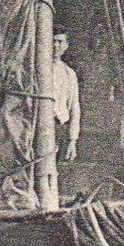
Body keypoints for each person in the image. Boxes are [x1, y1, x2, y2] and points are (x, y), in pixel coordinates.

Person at [52, 28, 82, 162]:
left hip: (58, 128)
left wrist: (72, 141)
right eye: (52, 41)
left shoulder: (69, 74)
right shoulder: (33, 70)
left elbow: (74, 107)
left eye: (59, 41)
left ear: (66, 46)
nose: (55, 45)